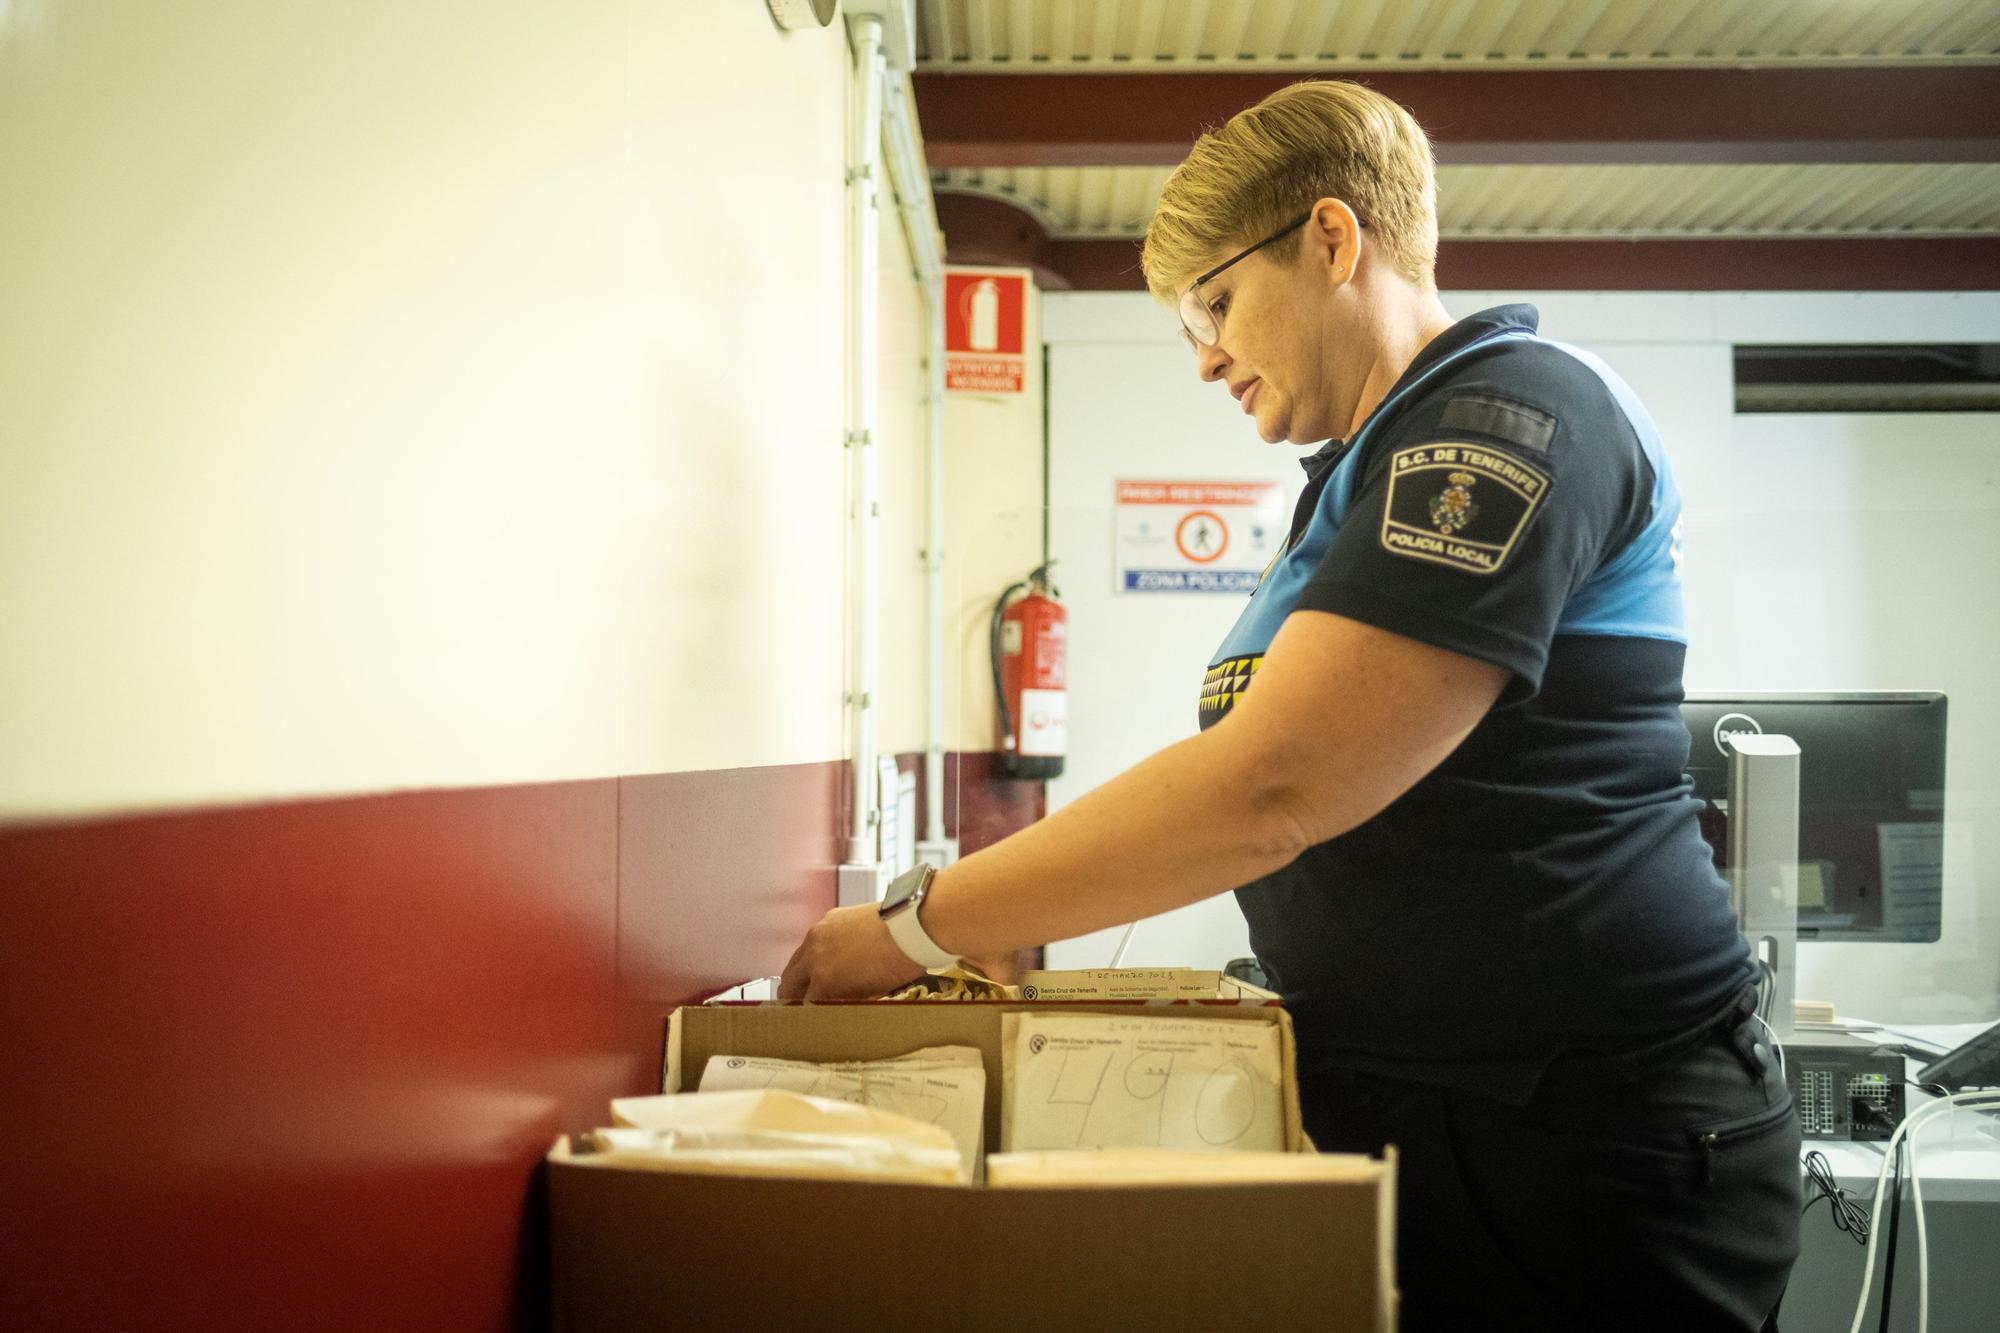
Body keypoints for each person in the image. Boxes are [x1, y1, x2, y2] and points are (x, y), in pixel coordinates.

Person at [781, 79, 1800, 1331]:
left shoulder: (1508, 418)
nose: (1204, 353)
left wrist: (913, 928)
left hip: (1582, 1140)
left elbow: (1279, 784)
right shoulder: (1349, 482)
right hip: (1430, 1111)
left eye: (1213, 300)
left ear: (1331, 239)